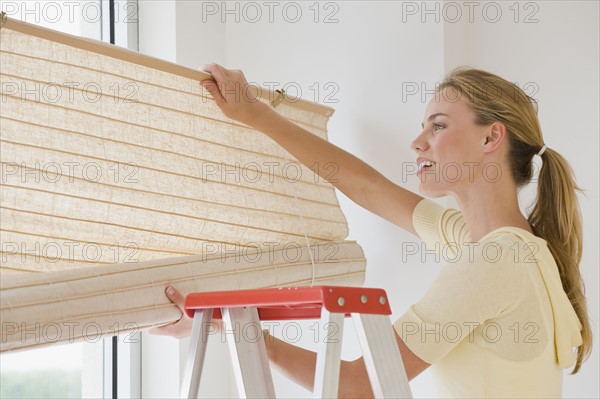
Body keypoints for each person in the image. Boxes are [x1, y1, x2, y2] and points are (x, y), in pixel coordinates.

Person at [151, 65, 591, 398]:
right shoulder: (508, 247)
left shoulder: (494, 262)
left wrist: (242, 331)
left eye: (438, 125)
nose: (417, 143)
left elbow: (361, 385)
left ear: (491, 138)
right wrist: (258, 116)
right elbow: (368, 187)